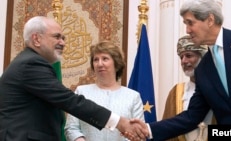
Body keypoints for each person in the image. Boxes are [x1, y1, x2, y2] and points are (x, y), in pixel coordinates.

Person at [0, 16, 147, 141]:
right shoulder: (31, 64)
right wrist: (119, 121)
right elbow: (70, 101)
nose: (63, 42)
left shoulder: (29, 62)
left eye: (63, 38)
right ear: (37, 39)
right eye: (57, 37)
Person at [127, 0, 231, 140]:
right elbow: (192, 116)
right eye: (185, 24)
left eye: (190, 23)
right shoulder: (203, 70)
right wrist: (148, 128)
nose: (187, 30)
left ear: (210, 20)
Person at [64, 41, 145, 141]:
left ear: (116, 63)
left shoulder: (133, 96)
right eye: (96, 60)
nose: (99, 64)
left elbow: (138, 133)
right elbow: (71, 128)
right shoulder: (81, 92)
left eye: (105, 59)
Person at [162, 35, 213, 141]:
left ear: (202, 57)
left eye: (188, 56)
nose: (183, 61)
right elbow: (167, 132)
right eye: (181, 57)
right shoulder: (176, 92)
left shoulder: (220, 89)